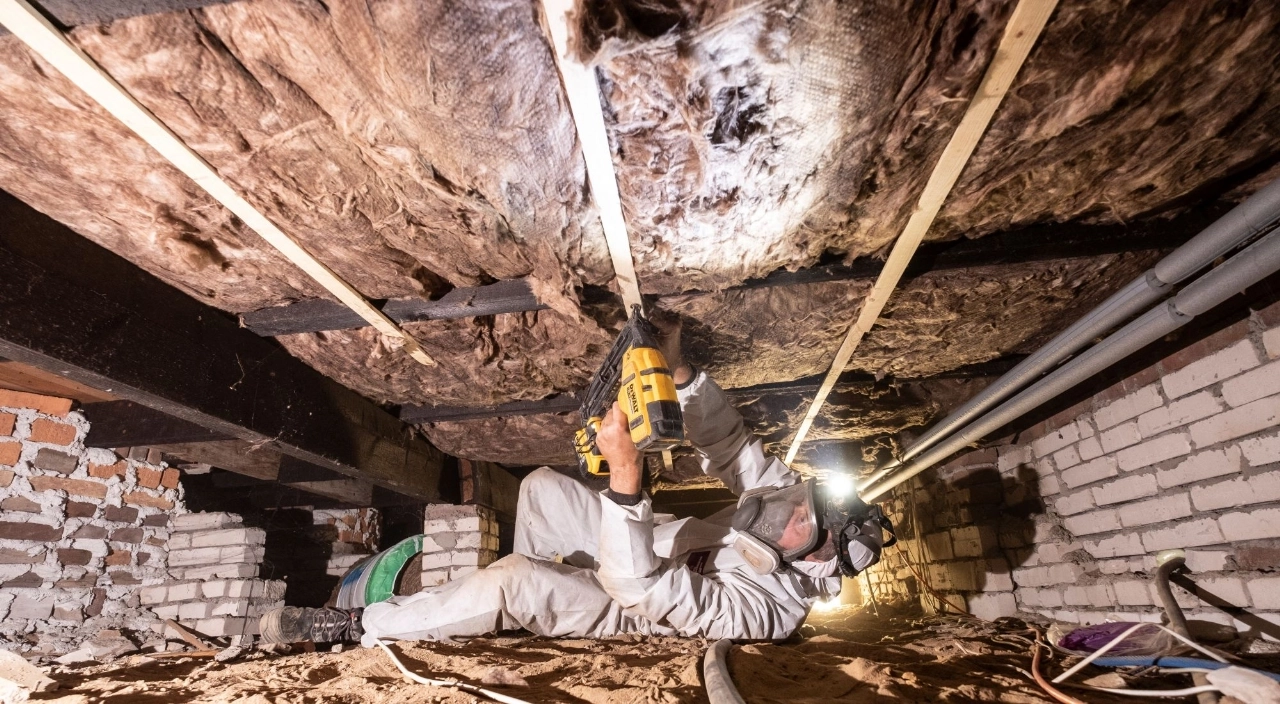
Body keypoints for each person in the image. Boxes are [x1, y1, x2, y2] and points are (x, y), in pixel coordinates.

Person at [258, 317, 891, 646]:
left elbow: (635, 584)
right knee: (539, 487)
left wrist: (626, 474)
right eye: (798, 499)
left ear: (818, 558)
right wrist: (681, 372)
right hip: (654, 551)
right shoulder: (788, 515)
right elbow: (731, 446)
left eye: (799, 518)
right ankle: (498, 607)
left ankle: (367, 626)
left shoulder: (764, 615)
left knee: (518, 580)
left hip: (631, 608)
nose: (781, 506)